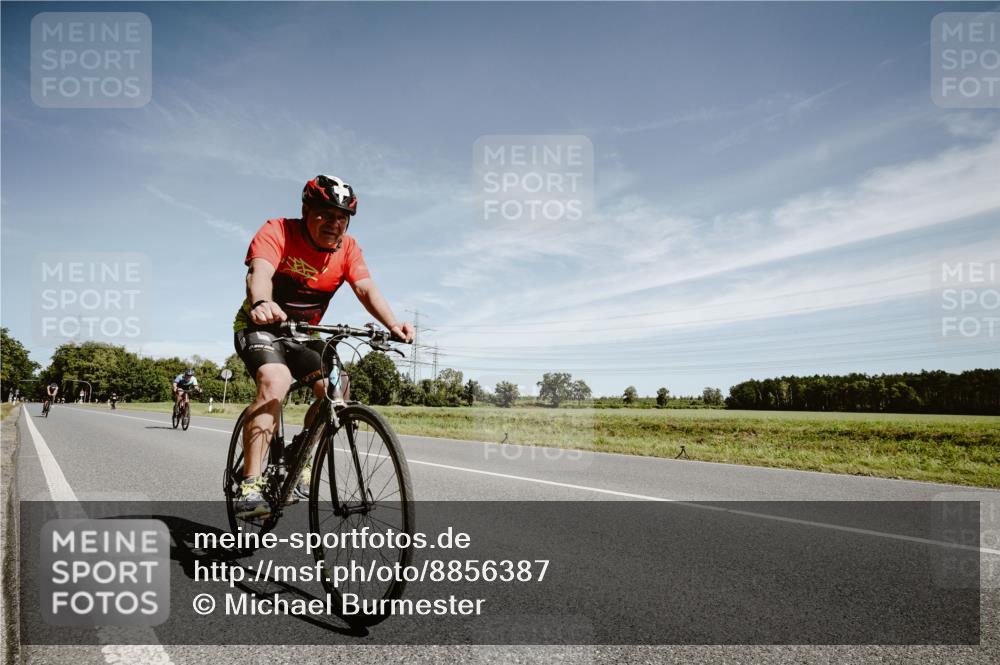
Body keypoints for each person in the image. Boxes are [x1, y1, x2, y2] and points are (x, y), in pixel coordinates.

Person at [232, 174, 414, 517]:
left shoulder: (348, 249)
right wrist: (260, 302)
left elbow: (365, 289)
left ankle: (301, 454)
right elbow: (260, 272)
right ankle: (250, 484)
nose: (335, 223)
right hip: (259, 326)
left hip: (303, 334)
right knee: (276, 380)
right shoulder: (279, 231)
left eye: (342, 217)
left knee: (337, 386)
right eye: (326, 214)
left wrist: (392, 325)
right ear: (305, 210)